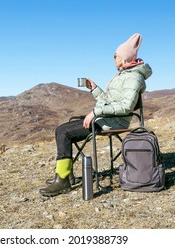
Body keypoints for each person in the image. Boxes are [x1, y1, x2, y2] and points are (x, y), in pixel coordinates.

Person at [39, 33, 153, 197]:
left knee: (64, 133)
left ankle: (62, 180)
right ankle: (66, 174)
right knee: (61, 129)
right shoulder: (124, 75)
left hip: (114, 122)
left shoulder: (133, 78)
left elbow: (125, 107)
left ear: (125, 58)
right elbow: (110, 101)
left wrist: (96, 112)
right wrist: (94, 88)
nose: (114, 58)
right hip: (107, 118)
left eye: (116, 56)